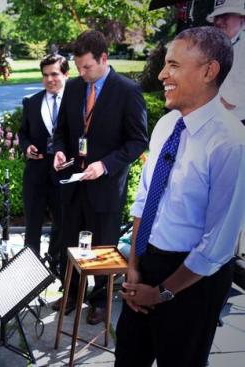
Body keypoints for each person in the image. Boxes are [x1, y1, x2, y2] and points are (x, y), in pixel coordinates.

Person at [115, 26, 245, 367]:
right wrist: (134, 269)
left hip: (194, 282)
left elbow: (217, 245)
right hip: (147, 263)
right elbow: (145, 198)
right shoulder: (166, 125)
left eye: (173, 64)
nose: (161, 74)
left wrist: (161, 293)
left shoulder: (230, 142)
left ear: (208, 71)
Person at [52, 30, 148, 323]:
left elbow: (138, 141)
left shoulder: (128, 91)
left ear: (104, 58)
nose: (81, 73)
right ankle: (70, 292)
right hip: (73, 184)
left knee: (103, 245)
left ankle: (100, 300)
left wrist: (105, 165)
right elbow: (62, 132)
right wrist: (58, 151)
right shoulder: (74, 87)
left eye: (87, 67)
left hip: (106, 186)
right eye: (79, 67)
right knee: (69, 240)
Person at [18, 54, 69, 273]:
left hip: (64, 173)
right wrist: (26, 147)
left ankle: (56, 263)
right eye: (45, 75)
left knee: (63, 221)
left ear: (66, 74)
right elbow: (23, 133)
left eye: (55, 74)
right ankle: (31, 270)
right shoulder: (32, 102)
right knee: (33, 224)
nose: (50, 79)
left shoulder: (75, 102)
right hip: (36, 172)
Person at [207, 0, 245, 124]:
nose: (218, 22)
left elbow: (232, 101)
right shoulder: (210, 46)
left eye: (225, 16)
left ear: (242, 19)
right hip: (211, 120)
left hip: (238, 124)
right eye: (217, 17)